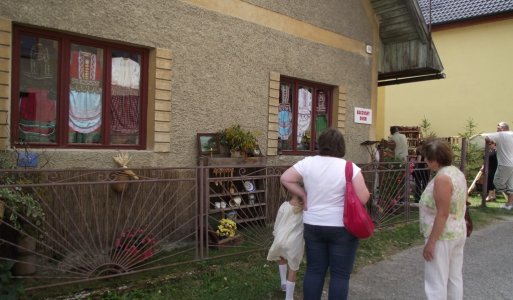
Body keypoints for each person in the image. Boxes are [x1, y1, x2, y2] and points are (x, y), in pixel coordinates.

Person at [280, 128, 370, 300]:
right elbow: (364, 197)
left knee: (314, 270)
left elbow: (285, 178)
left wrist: (304, 195)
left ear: (320, 145)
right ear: (341, 146)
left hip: (313, 224)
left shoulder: (308, 163)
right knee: (340, 275)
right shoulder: (350, 168)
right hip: (343, 227)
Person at [419, 138, 467, 300]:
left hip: (442, 236)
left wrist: (431, 242)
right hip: (457, 231)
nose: (425, 161)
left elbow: (442, 213)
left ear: (434, 160)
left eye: (427, 158)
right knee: (454, 278)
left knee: (436, 282)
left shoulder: (442, 179)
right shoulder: (456, 173)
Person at [267, 193, 304, 300]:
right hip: (295, 242)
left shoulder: (284, 205)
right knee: (293, 269)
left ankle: (283, 283)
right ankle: (289, 298)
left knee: (281, 257)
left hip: (280, 239)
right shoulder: (305, 208)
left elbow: (277, 223)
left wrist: (276, 234)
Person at [483, 122, 513, 209]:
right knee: (511, 185)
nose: (497, 129)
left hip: (505, 164)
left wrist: (489, 143)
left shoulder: (501, 134)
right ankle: (509, 204)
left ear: (503, 128)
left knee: (497, 183)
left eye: (498, 127)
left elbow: (487, 138)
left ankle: (509, 201)